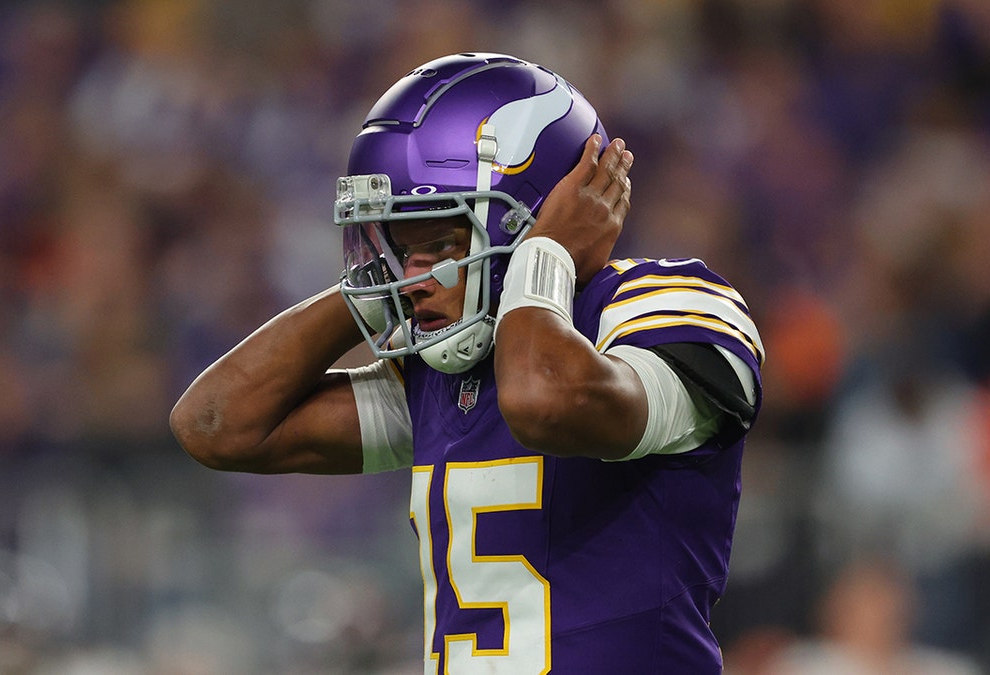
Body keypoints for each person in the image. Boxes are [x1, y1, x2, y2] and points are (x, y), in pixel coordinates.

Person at [170, 52, 764, 674]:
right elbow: (216, 425)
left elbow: (543, 402)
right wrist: (377, 287)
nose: (414, 279)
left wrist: (544, 255)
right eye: (401, 248)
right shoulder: (448, 365)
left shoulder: (667, 304)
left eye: (441, 243)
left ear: (530, 218)